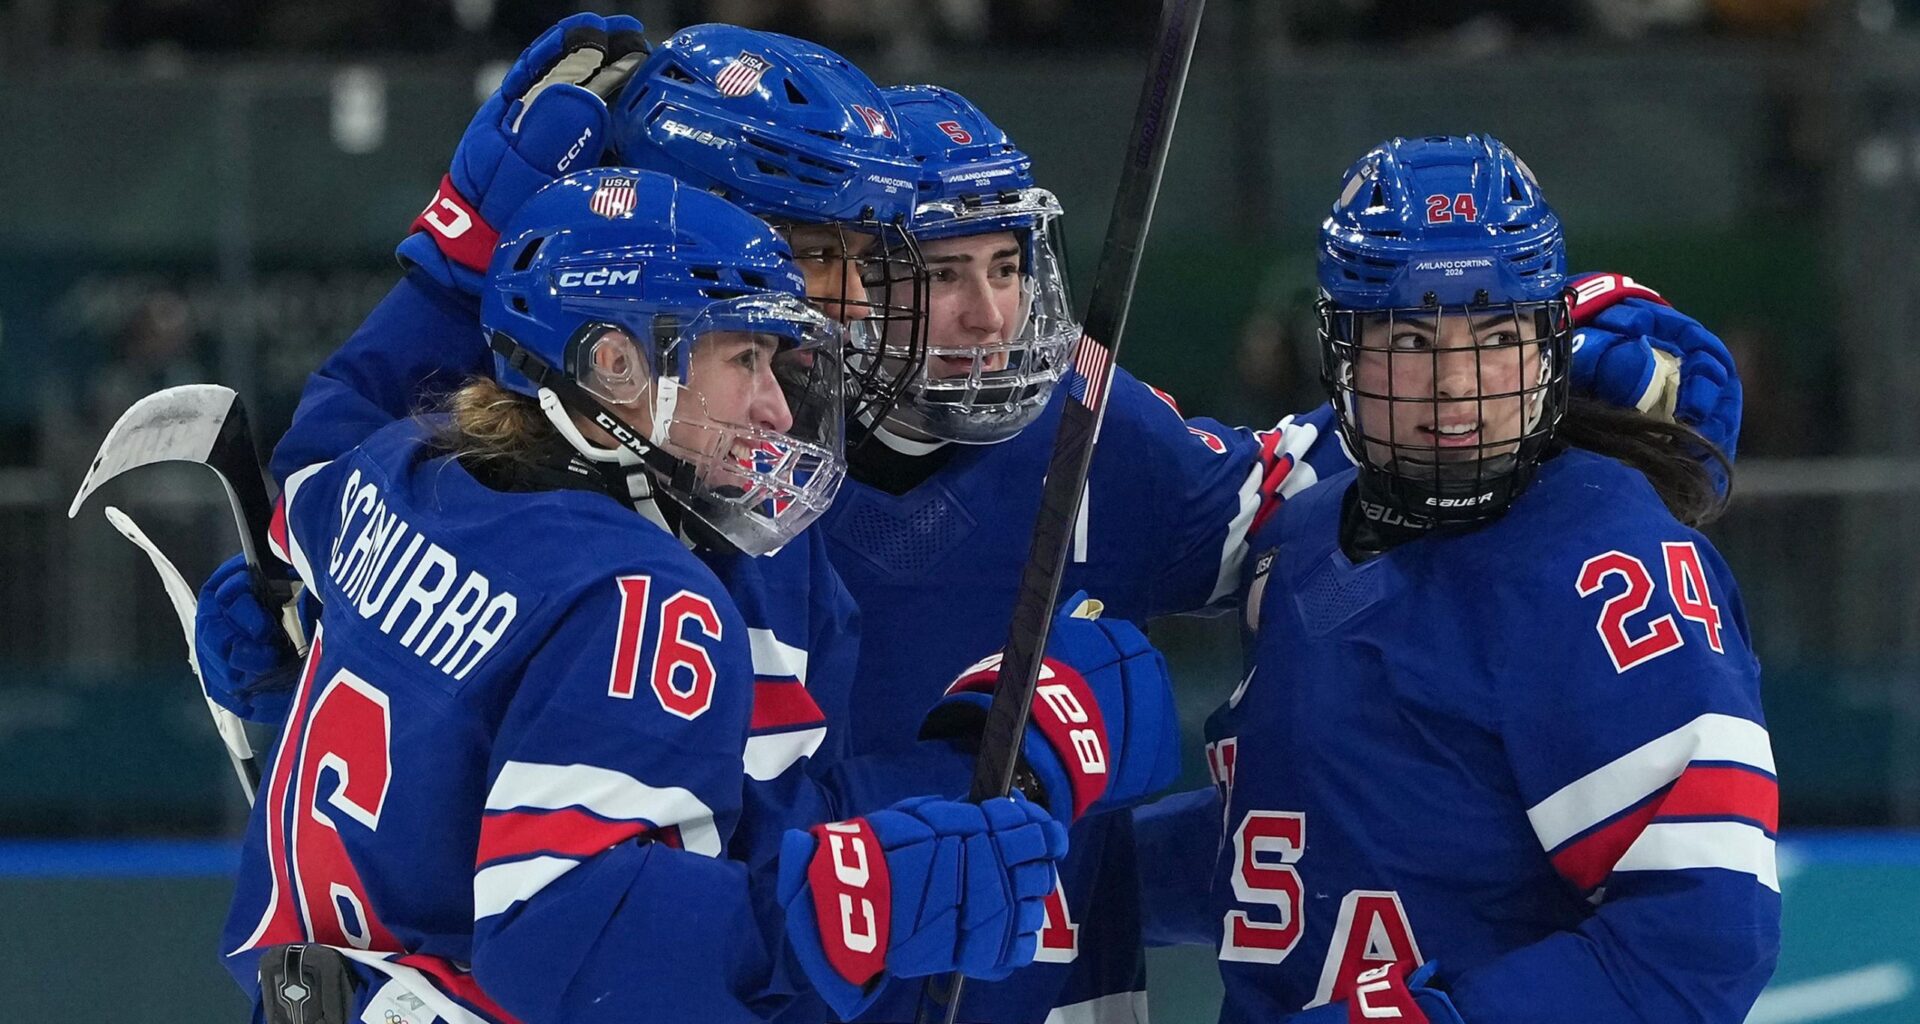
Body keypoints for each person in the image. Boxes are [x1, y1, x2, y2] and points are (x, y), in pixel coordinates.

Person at [220, 166, 1075, 1024]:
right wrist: (855, 911)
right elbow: (568, 942)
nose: (777, 409)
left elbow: (305, 504)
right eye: (744, 357)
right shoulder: (644, 598)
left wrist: (279, 623)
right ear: (614, 362)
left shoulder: (393, 470)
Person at [1134, 135, 1778, 1024]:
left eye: (1497, 333)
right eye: (1409, 337)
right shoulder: (1305, 535)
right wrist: (1079, 881)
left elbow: (1699, 943)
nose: (1457, 385)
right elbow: (1304, 842)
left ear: (1552, 344)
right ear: (1342, 353)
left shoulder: (1613, 564)